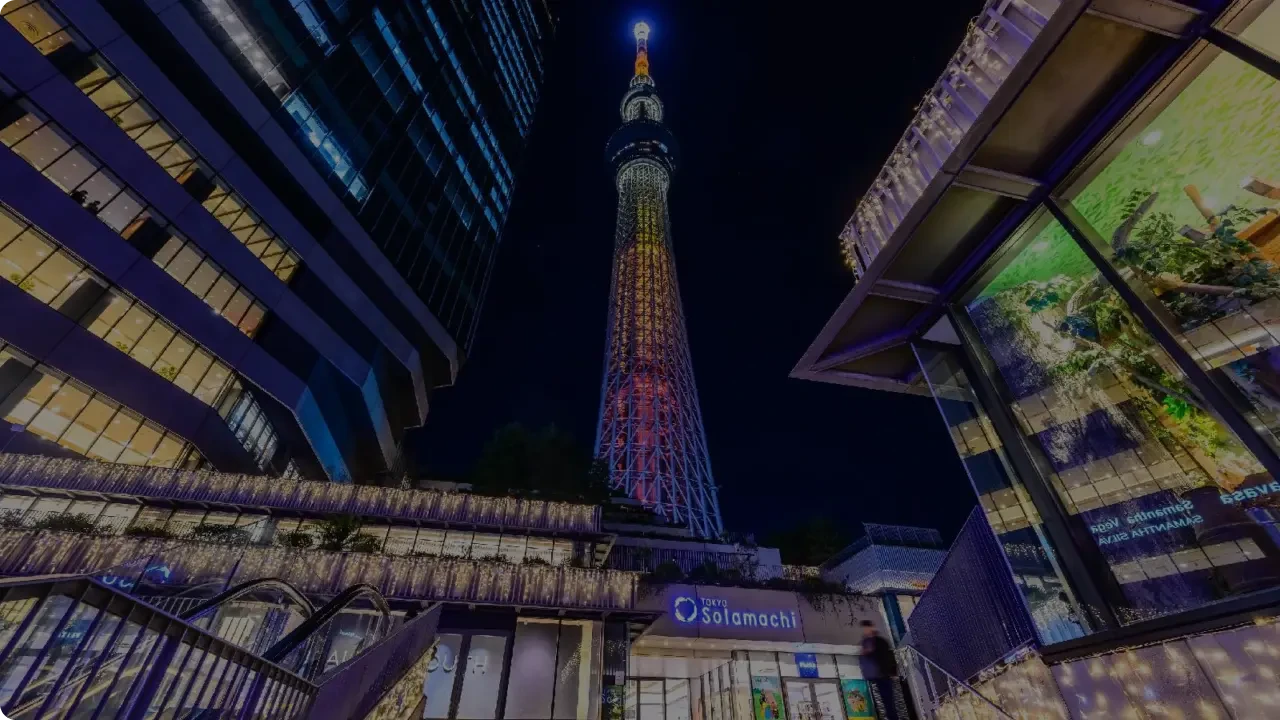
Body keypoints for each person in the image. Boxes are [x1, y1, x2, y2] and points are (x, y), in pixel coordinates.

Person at [859, 620, 900, 720]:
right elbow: (864, 659)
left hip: (883, 675)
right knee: (878, 702)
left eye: (867, 627)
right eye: (864, 628)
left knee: (888, 701)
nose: (865, 630)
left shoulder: (880, 641)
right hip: (872, 677)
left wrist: (893, 671)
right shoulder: (865, 642)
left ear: (872, 627)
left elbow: (889, 656)